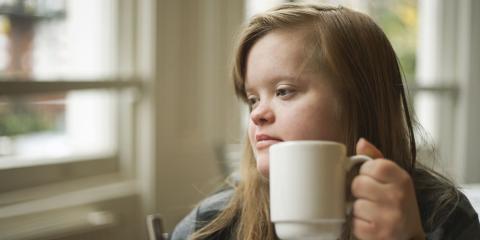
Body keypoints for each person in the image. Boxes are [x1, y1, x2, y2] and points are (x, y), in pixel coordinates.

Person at [170, 3, 480, 240]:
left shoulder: (443, 217)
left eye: (283, 91)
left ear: (358, 101)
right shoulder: (211, 224)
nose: (257, 114)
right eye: (253, 98)